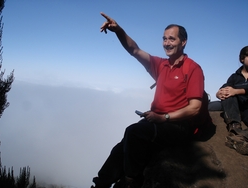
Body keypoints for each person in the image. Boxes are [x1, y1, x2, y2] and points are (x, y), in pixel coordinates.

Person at [91, 12, 210, 188]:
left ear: (183, 42)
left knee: (133, 132)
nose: (166, 43)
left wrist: (164, 118)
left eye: (172, 39)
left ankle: (131, 181)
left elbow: (194, 108)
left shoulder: (193, 69)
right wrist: (118, 31)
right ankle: (100, 184)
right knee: (120, 148)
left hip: (178, 124)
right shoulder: (162, 65)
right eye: (164, 39)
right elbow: (135, 50)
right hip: (158, 119)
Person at [216, 46, 248, 154]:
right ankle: (235, 129)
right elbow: (226, 87)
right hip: (237, 108)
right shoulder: (235, 77)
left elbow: (234, 91)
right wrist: (218, 93)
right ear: (242, 59)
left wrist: (237, 91)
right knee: (227, 93)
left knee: (231, 92)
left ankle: (239, 140)